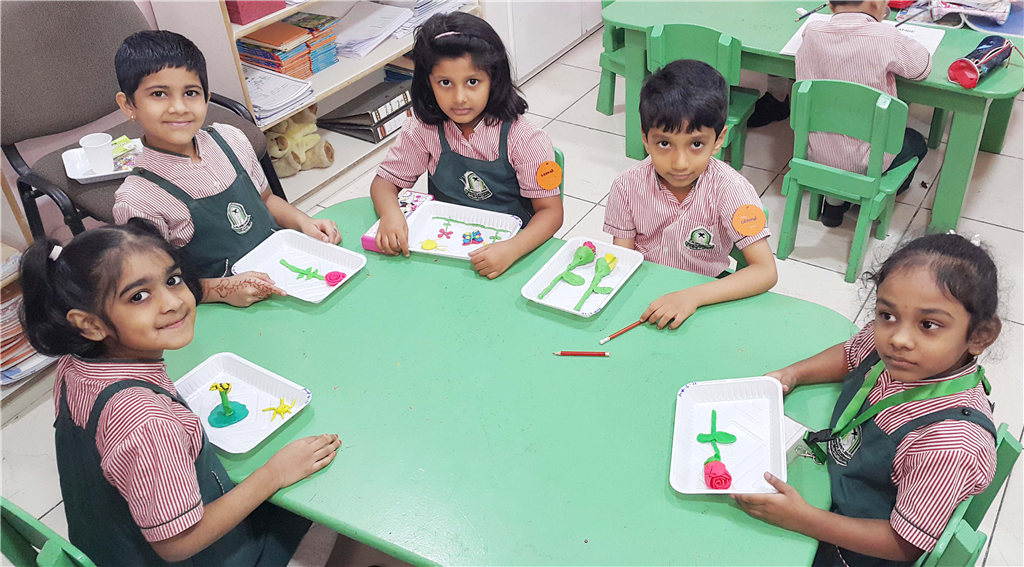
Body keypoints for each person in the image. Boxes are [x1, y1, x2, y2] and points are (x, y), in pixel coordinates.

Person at [19, 220, 342, 566]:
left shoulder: (74, 364)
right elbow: (178, 543)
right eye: (138, 296)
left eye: (172, 280)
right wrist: (274, 474)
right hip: (191, 555)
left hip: (110, 549)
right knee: (326, 496)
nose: (173, 302)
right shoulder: (147, 423)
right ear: (91, 324)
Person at [735, 233, 1001, 567]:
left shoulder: (949, 444)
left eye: (928, 324)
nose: (899, 338)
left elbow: (904, 545)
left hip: (853, 552)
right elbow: (852, 355)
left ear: (979, 336)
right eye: (887, 315)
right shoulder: (902, 354)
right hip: (828, 492)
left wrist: (802, 519)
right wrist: (793, 373)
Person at [112, 30, 341, 307]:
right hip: (219, 306)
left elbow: (266, 200)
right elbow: (157, 286)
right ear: (128, 105)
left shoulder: (230, 139)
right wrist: (223, 290)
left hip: (284, 273)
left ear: (206, 97)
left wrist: (304, 222)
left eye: (191, 93)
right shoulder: (138, 200)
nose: (179, 107)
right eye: (159, 94)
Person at [370, 12, 563, 279]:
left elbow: (551, 213)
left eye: (472, 82)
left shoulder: (525, 139)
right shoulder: (422, 129)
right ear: (428, 83)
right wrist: (391, 214)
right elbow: (384, 184)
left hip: (510, 253)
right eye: (445, 83)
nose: (459, 98)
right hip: (445, 248)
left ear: (494, 78)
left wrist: (512, 249)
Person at [603, 60, 777, 331]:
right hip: (642, 296)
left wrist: (692, 297)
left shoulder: (732, 190)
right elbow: (622, 259)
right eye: (664, 143)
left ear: (719, 139)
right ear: (645, 139)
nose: (680, 163)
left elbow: (765, 271)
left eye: (696, 144)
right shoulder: (626, 186)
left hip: (704, 300)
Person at [796, 0, 931, 227]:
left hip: (815, 153)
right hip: (868, 161)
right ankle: (868, 199)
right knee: (916, 142)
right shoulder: (887, 37)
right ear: (877, 4)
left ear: (830, 6)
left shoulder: (812, 31)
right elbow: (922, 68)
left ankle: (834, 205)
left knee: (840, 129)